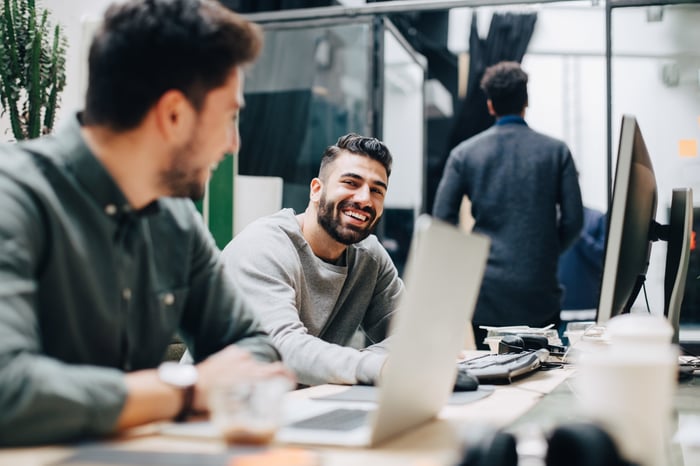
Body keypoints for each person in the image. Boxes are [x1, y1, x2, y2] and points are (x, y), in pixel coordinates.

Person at [0, 0, 292, 446]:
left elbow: (252, 346)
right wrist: (184, 389)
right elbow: (8, 391)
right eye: (230, 117)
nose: (233, 145)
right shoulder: (14, 198)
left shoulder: (176, 219)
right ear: (173, 115)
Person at [221, 134, 403, 386]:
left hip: (306, 404)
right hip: (219, 412)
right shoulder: (262, 247)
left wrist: (380, 362)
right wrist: (377, 365)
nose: (364, 199)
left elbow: (410, 336)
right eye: (351, 182)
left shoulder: (369, 257)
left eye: (376, 191)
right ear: (316, 190)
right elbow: (283, 350)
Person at [432, 61, 583, 348]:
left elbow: (442, 222)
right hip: (539, 292)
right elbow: (574, 221)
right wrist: (544, 251)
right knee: (541, 374)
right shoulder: (556, 152)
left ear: (490, 105)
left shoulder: (465, 154)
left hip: (485, 292)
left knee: (492, 373)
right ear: (526, 100)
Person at [558, 206, 607, 310]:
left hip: (588, 309)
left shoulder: (596, 218)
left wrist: (576, 231)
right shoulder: (545, 218)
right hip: (553, 310)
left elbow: (604, 260)